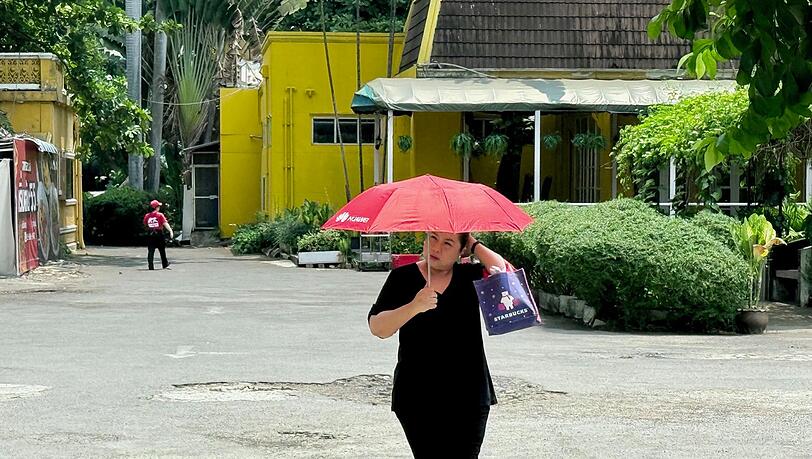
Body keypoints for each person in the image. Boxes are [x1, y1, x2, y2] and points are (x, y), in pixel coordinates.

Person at [368, 232, 507, 458]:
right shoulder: (402, 277)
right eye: (432, 238)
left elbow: (502, 271)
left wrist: (473, 244)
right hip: (418, 395)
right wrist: (414, 306)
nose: (436, 247)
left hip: (469, 395)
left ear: (461, 251)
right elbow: (378, 327)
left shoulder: (469, 276)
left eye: (447, 243)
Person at [143, 200, 173, 270]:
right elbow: (165, 223)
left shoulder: (147, 216)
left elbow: (145, 224)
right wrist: (170, 231)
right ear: (156, 207)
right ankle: (164, 264)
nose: (159, 207)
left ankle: (150, 266)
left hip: (150, 234)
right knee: (162, 250)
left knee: (151, 251)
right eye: (158, 206)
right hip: (159, 233)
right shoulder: (160, 215)